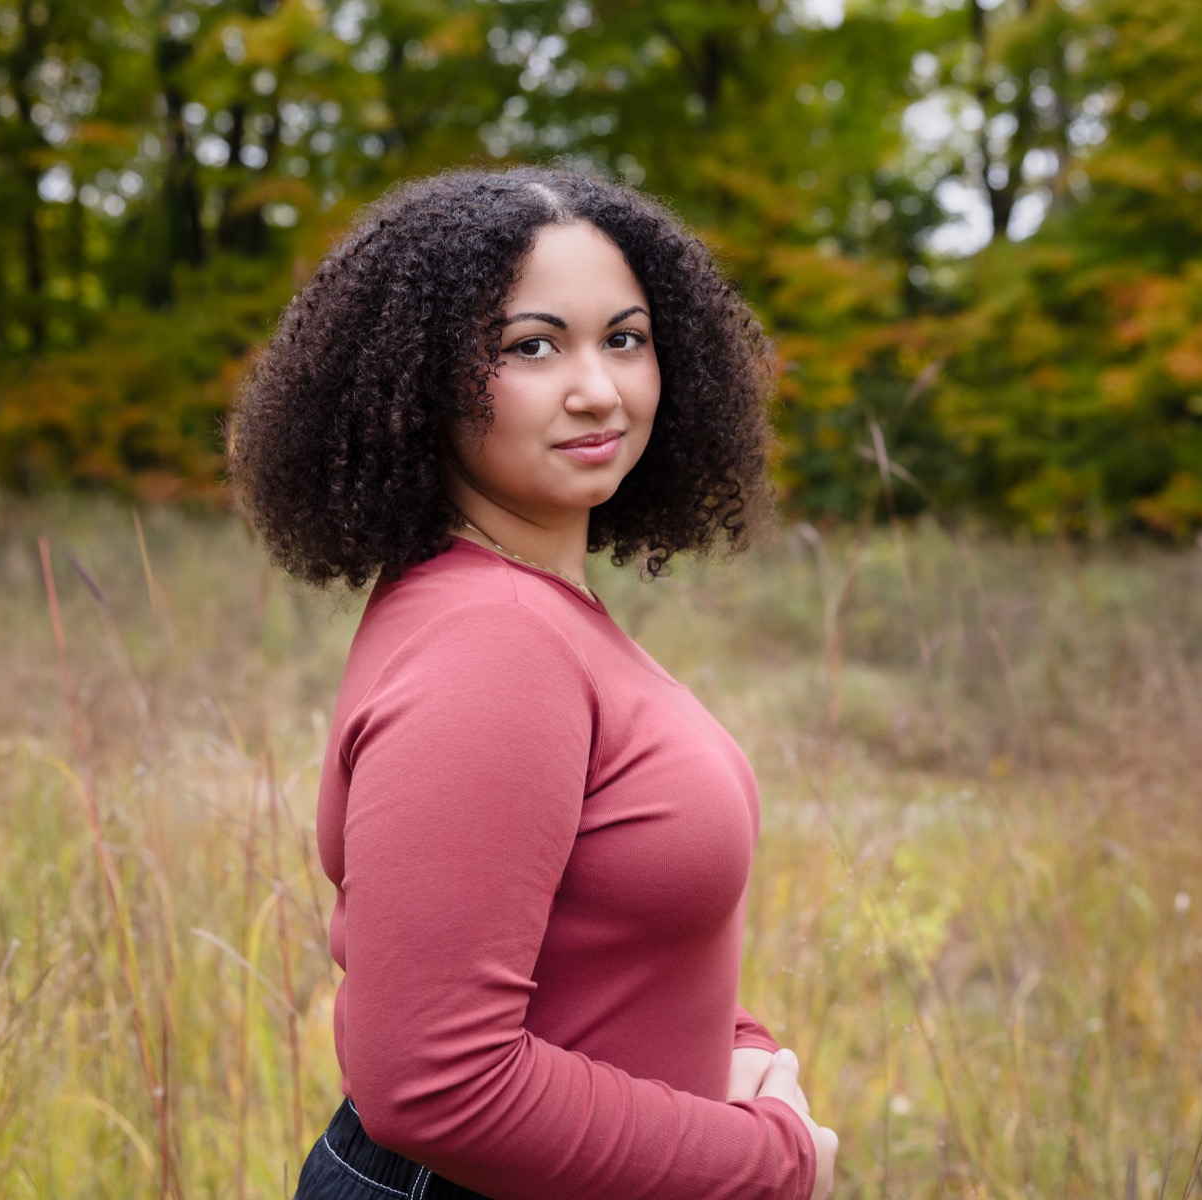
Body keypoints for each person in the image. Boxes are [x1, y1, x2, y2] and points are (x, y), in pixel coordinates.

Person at [230, 165, 839, 1200]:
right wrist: (773, 1163)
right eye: (531, 346)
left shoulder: (528, 606)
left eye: (626, 338)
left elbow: (620, 936)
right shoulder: (492, 642)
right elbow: (435, 1083)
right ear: (420, 380)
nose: (598, 388)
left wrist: (742, 1053)